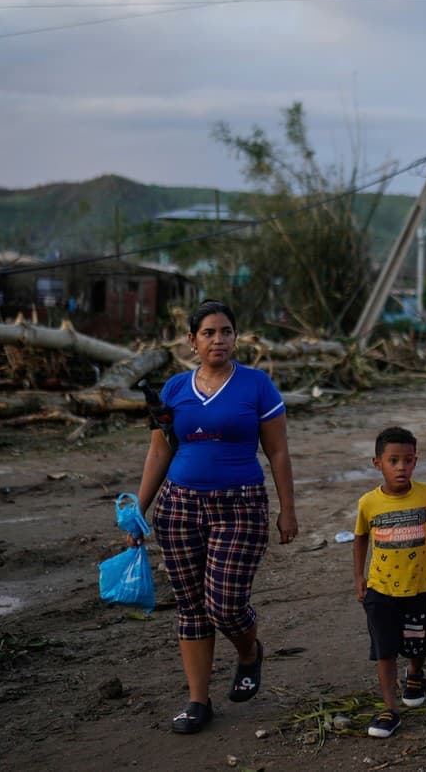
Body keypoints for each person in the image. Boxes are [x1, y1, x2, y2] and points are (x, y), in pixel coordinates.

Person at [130, 299, 298, 735]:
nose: (218, 340)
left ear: (236, 337)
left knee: (224, 604)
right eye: (208, 333)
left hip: (240, 506)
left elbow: (277, 452)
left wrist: (287, 510)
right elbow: (159, 450)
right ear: (191, 341)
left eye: (225, 331)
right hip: (178, 507)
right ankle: (197, 701)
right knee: (191, 607)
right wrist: (138, 511)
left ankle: (248, 653)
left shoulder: (257, 386)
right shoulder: (172, 390)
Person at [353, 426, 426, 739]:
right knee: (384, 649)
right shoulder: (368, 503)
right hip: (380, 590)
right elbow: (359, 539)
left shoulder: (425, 493)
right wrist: (358, 577)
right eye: (394, 460)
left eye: (408, 460)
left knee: (417, 642)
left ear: (416, 461)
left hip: (418, 587)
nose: (401, 467)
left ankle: (415, 673)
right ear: (378, 463)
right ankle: (389, 708)